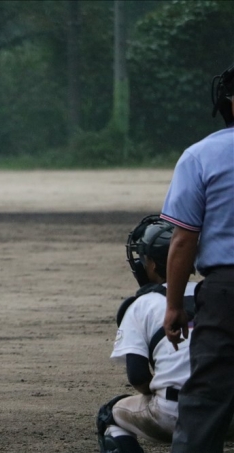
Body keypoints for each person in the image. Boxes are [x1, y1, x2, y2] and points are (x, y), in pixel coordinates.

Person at [161, 62, 234, 453]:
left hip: (226, 292)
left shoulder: (201, 155)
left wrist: (174, 305)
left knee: (207, 395)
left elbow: (183, 240)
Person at [96, 215, 200, 453]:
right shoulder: (214, 295)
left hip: (174, 413)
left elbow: (138, 376)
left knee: (109, 416)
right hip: (225, 408)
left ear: (152, 264)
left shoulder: (142, 305)